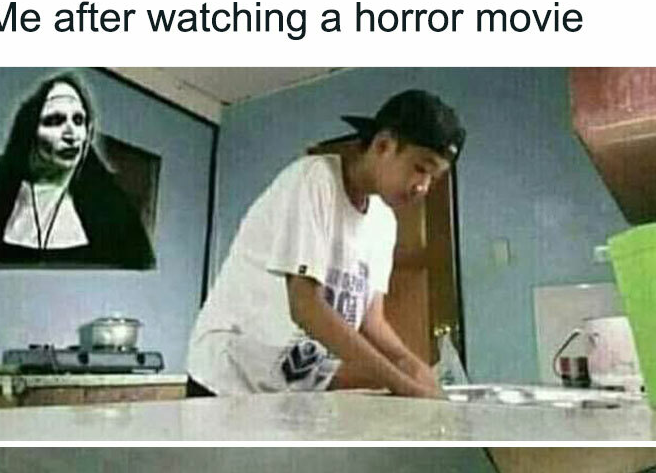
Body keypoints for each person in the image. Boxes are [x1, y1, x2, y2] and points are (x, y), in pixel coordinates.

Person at [187, 89, 465, 397]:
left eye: (434, 178)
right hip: (227, 377)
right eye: (421, 168)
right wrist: (399, 383)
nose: (423, 187)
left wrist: (411, 364)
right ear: (383, 145)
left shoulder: (385, 222)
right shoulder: (315, 179)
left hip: (287, 385)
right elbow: (306, 307)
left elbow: (372, 320)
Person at [0, 72, 155, 269]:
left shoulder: (113, 213)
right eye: (55, 120)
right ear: (30, 130)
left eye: (78, 120)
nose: (71, 134)